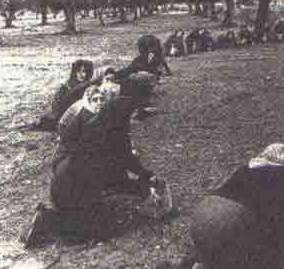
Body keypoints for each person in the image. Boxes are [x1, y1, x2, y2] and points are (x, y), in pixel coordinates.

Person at [20, 73, 173, 248]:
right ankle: (48, 219)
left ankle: (56, 215)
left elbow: (117, 167)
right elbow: (123, 165)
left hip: (64, 181)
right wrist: (146, 179)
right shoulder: (112, 135)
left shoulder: (96, 126)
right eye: (130, 116)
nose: (131, 119)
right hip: (71, 190)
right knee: (102, 230)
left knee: (104, 207)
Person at [158, 143, 284, 269]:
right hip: (232, 221)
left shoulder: (246, 168)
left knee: (219, 243)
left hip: (204, 212)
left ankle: (188, 264)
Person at [22, 59, 94, 132]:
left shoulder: (90, 87)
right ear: (75, 72)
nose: (83, 75)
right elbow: (56, 104)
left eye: (86, 72)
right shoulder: (67, 86)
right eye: (79, 71)